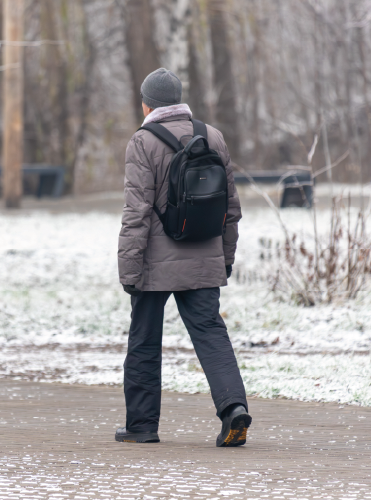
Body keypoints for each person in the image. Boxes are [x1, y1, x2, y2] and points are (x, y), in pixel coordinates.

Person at [116, 68, 251, 447]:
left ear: (147, 104)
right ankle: (234, 409)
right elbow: (231, 209)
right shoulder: (213, 136)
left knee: (144, 339)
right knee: (211, 334)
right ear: (178, 100)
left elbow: (137, 212)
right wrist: (224, 258)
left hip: (154, 264)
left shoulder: (142, 141)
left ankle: (142, 426)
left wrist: (129, 269)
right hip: (205, 256)